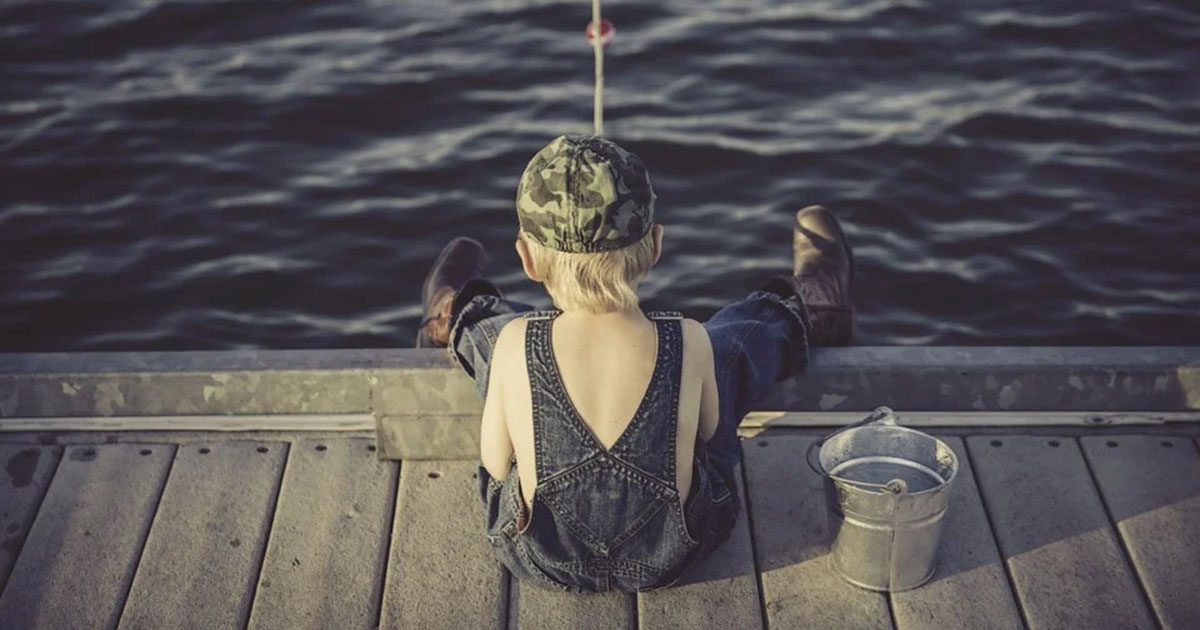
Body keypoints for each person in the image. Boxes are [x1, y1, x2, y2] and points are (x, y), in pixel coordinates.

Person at [415, 135, 854, 593]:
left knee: (500, 344)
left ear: (527, 259)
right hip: (674, 553)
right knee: (725, 350)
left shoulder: (515, 342)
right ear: (657, 245)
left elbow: (497, 465)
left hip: (542, 556)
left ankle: (463, 312)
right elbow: (709, 434)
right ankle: (801, 308)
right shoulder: (690, 338)